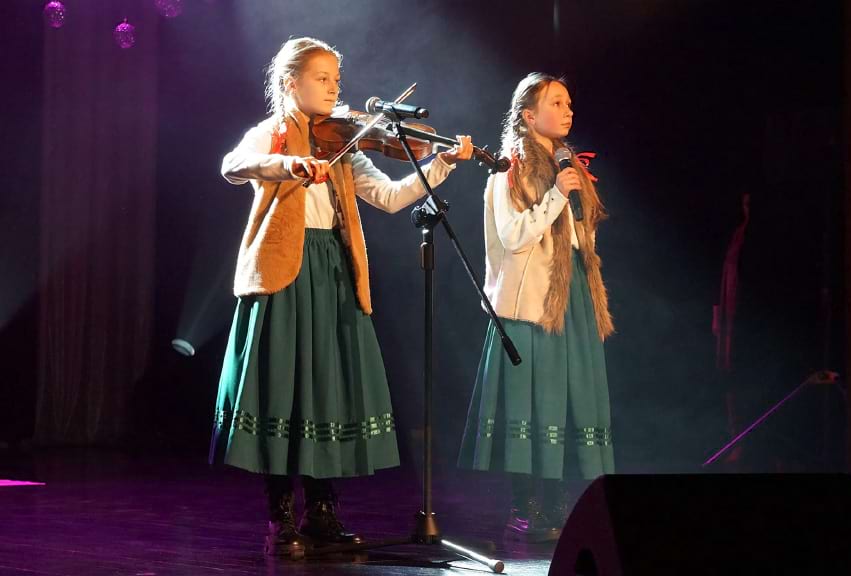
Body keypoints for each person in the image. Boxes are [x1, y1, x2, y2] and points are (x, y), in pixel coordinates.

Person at [209, 37, 473, 557]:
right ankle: (281, 513)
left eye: (336, 79)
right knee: (284, 387)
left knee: (329, 386)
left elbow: (393, 198)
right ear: (291, 83)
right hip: (283, 272)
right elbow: (233, 164)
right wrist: (289, 165)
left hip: (332, 267)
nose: (335, 89)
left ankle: (323, 510)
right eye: (323, 79)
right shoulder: (275, 132)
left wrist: (441, 164)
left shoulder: (342, 141)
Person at [458, 72, 614, 542]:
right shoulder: (508, 174)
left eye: (570, 102)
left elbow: (582, 239)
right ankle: (525, 506)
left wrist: (574, 202)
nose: (568, 110)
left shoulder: (573, 171)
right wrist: (555, 196)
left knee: (567, 405)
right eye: (557, 102)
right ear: (528, 114)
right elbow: (514, 237)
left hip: (573, 303)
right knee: (530, 406)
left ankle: (561, 503)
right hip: (529, 308)